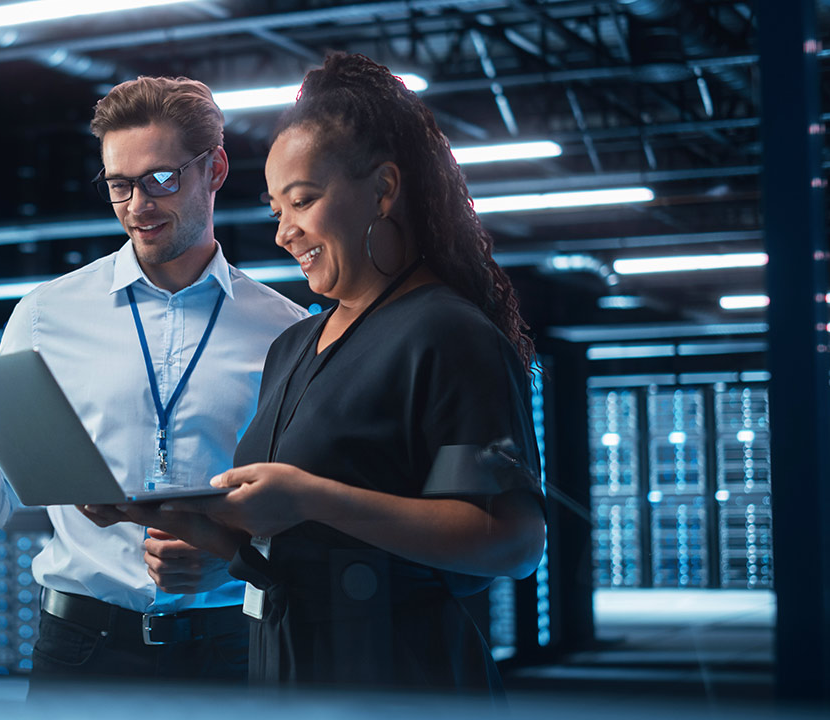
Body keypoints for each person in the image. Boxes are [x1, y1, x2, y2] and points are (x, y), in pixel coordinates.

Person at [113, 53, 547, 693]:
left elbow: (511, 542)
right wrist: (218, 551)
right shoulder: (292, 345)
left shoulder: (447, 335)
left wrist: (310, 496)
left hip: (403, 682)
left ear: (383, 189)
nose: (285, 233)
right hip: (288, 676)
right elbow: (301, 549)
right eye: (275, 211)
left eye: (304, 201)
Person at [0, 75, 307, 685]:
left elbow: (305, 511)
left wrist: (232, 558)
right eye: (119, 185)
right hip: (80, 649)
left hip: (232, 649)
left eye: (161, 179)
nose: (138, 206)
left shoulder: (287, 331)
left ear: (214, 169)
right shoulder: (44, 316)